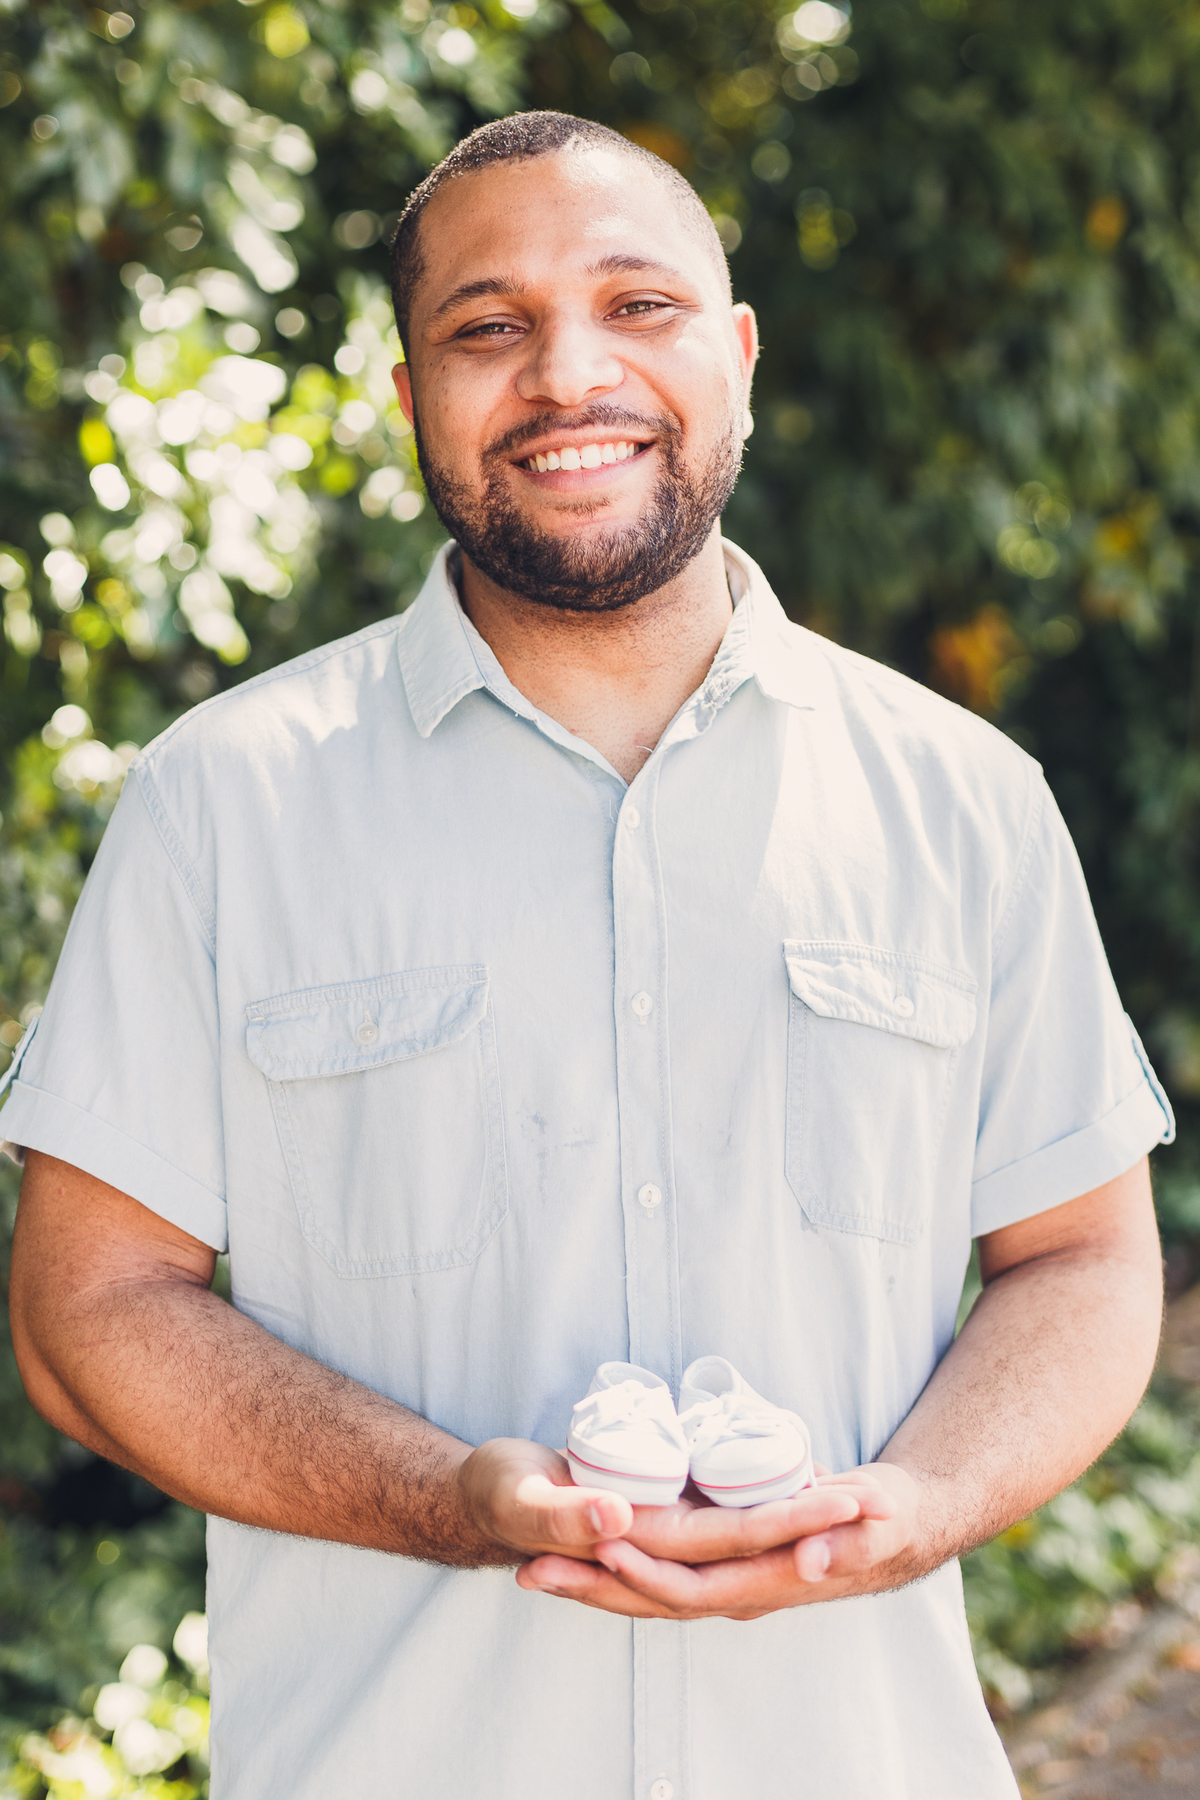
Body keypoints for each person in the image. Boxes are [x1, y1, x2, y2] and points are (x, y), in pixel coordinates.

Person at [2, 111, 1173, 1799]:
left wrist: (916, 1508)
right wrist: (447, 1501)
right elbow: (89, 1309)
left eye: (639, 305)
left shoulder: (963, 800)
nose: (570, 374)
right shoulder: (223, 802)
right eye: (489, 326)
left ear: (739, 356)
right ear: (409, 393)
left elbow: (1083, 1259)